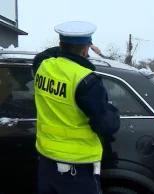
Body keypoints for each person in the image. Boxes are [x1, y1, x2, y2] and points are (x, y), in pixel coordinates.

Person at [33, 21, 120, 194]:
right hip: (76, 169)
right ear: (85, 50)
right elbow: (107, 126)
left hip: (46, 163)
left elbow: (45, 54)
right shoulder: (87, 80)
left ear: (60, 45)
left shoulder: (42, 66)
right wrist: (112, 109)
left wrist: (68, 46)